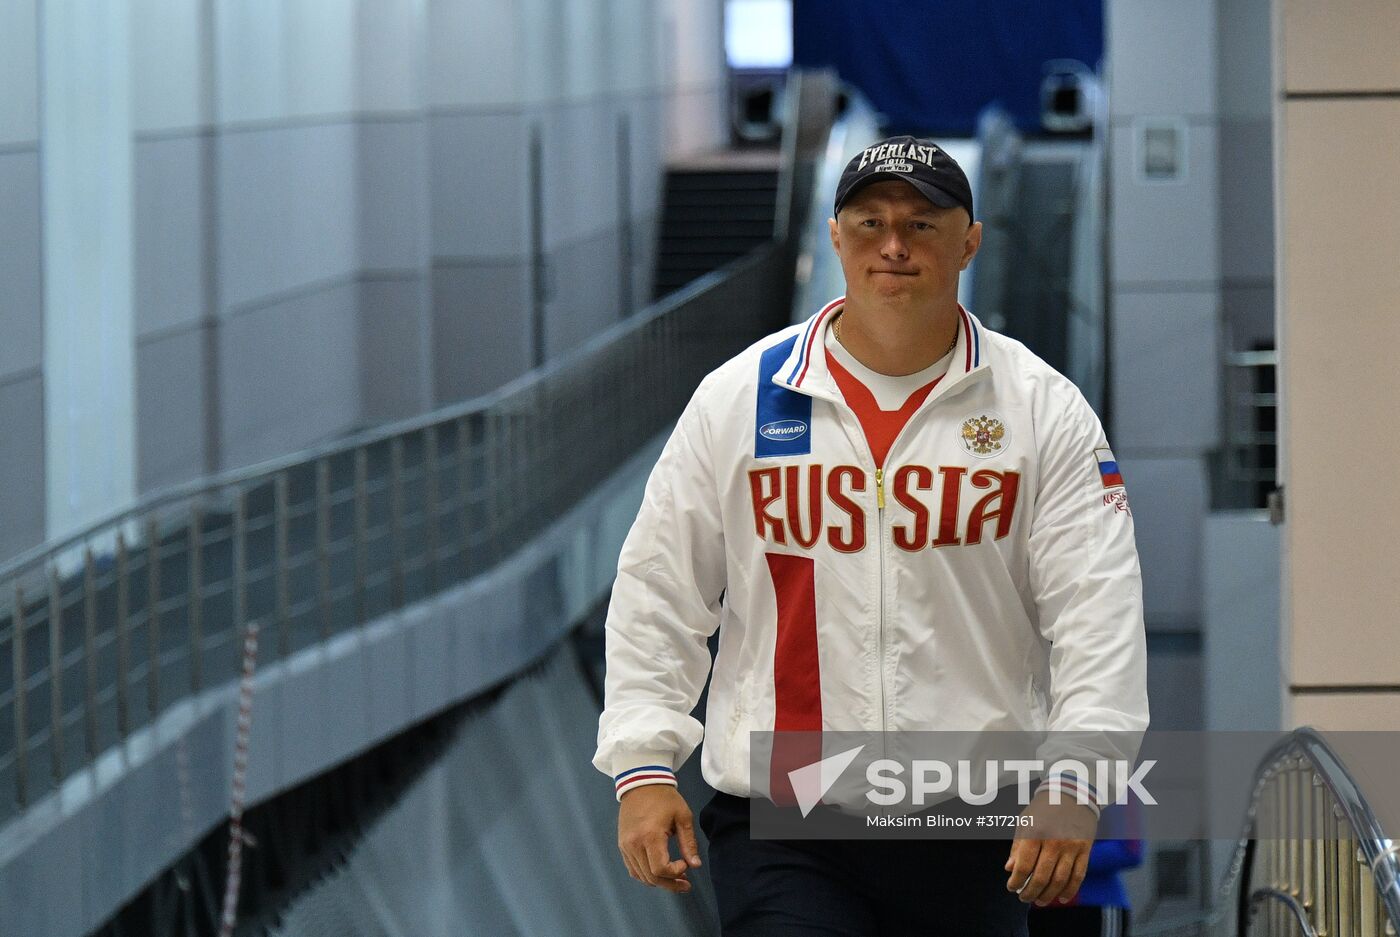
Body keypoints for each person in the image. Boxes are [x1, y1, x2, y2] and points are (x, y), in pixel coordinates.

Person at [593, 134, 1149, 935]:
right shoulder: (738, 399)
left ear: (970, 242)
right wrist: (643, 764)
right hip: (785, 818)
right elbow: (660, 590)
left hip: (976, 819)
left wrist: (1077, 778)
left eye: (923, 224)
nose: (894, 245)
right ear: (835, 235)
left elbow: (1097, 614)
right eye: (869, 221)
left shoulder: (1041, 409)